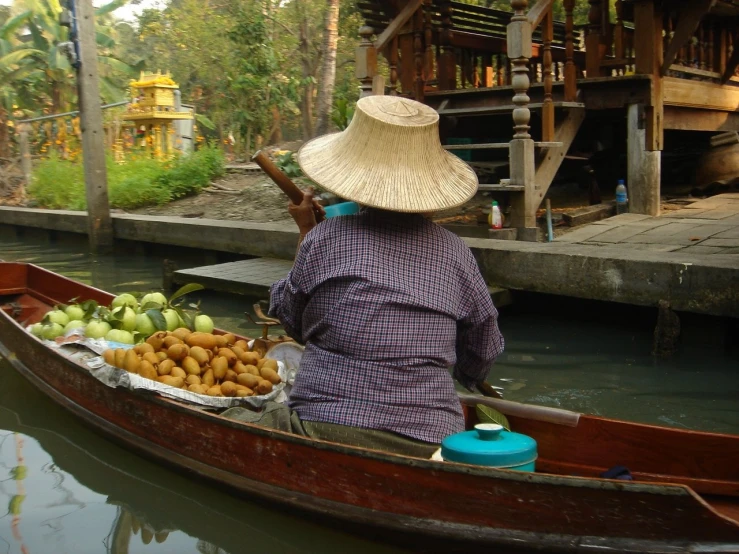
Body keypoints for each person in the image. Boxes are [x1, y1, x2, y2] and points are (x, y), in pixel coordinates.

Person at [233, 95, 504, 458]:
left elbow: (293, 322)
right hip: (432, 437)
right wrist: (467, 375)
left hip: (324, 424)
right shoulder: (456, 252)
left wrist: (305, 233)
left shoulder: (325, 237)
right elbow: (483, 343)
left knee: (236, 413)